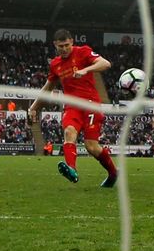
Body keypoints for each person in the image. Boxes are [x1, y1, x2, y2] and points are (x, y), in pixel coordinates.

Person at [28, 29, 117, 188]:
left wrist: (85, 70)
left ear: (72, 42)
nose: (64, 49)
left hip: (90, 104)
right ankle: (72, 170)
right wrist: (33, 107)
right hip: (71, 106)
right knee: (69, 132)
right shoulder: (55, 64)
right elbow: (47, 87)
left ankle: (113, 173)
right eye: (60, 46)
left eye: (67, 45)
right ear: (55, 45)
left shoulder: (83, 52)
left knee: (92, 147)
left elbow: (106, 63)